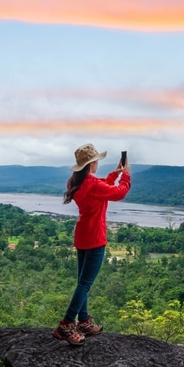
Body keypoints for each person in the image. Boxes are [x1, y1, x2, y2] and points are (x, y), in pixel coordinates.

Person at [53, 143, 131, 345]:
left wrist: (115, 174)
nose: (98, 163)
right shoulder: (93, 185)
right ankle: (67, 324)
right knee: (85, 284)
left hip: (82, 236)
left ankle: (84, 321)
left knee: (82, 282)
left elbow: (101, 186)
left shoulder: (75, 182)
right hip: (95, 238)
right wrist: (127, 175)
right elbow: (119, 193)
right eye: (96, 161)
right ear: (91, 164)